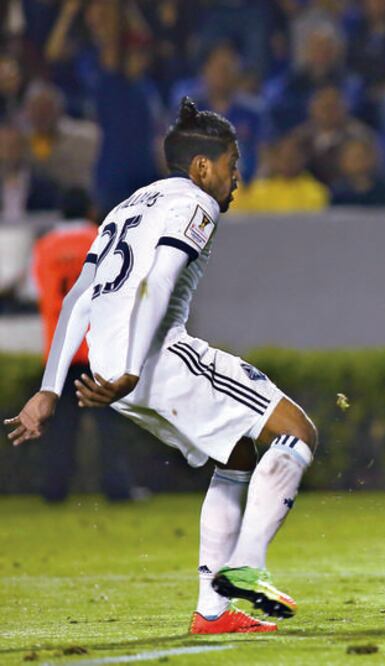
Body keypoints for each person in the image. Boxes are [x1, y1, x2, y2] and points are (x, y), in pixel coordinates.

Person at [5, 98, 318, 635]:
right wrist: (131, 365)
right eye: (232, 165)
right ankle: (249, 565)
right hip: (152, 357)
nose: (236, 179)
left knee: (239, 454)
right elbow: (158, 281)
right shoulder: (198, 204)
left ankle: (212, 612)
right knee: (298, 431)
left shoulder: (127, 206)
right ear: (202, 168)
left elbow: (82, 294)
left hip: (115, 368)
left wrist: (48, 389)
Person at [31, 187, 135, 502]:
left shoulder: (44, 247)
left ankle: (54, 490)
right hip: (98, 348)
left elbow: (35, 289)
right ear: (90, 210)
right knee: (109, 427)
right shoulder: (102, 236)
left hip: (61, 351)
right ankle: (117, 489)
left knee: (61, 428)